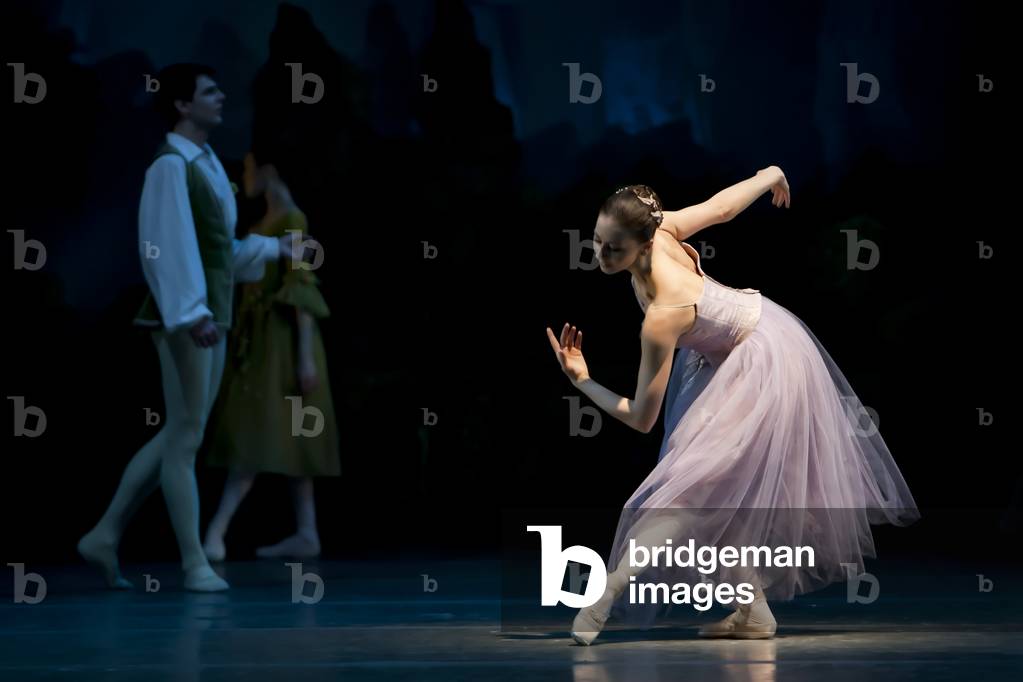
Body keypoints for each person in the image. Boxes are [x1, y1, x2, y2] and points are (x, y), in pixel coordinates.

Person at [546, 169, 919, 643]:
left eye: (613, 248)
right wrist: (769, 177)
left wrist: (582, 381)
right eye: (597, 241)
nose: (600, 255)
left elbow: (642, 418)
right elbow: (721, 208)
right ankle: (754, 612)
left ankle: (609, 592)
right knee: (720, 491)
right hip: (727, 357)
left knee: (689, 493)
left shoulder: (664, 314)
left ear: (643, 245)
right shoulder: (658, 232)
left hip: (763, 360)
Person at [77, 63, 315, 592]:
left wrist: (275, 248)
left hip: (210, 311)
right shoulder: (170, 165)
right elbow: (164, 247)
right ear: (183, 105)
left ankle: (105, 534)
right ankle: (193, 563)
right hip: (189, 316)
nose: (221, 96)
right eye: (210, 91)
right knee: (185, 436)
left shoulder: (204, 162)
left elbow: (217, 248)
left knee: (181, 433)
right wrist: (191, 313)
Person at [201, 149, 339, 562]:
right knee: (278, 434)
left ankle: (216, 532)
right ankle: (306, 530)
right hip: (262, 341)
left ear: (267, 168)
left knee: (264, 433)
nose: (244, 176)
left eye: (247, 167)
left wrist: (305, 357)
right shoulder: (266, 223)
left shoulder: (292, 220)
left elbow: (300, 289)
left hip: (284, 343)